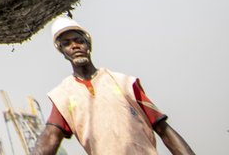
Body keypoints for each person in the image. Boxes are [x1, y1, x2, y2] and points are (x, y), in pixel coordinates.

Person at [30, 18, 197, 155]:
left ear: (88, 45)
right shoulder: (63, 95)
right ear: (62, 51)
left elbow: (163, 129)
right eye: (67, 43)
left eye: (79, 41)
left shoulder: (124, 83)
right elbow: (50, 137)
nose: (75, 46)